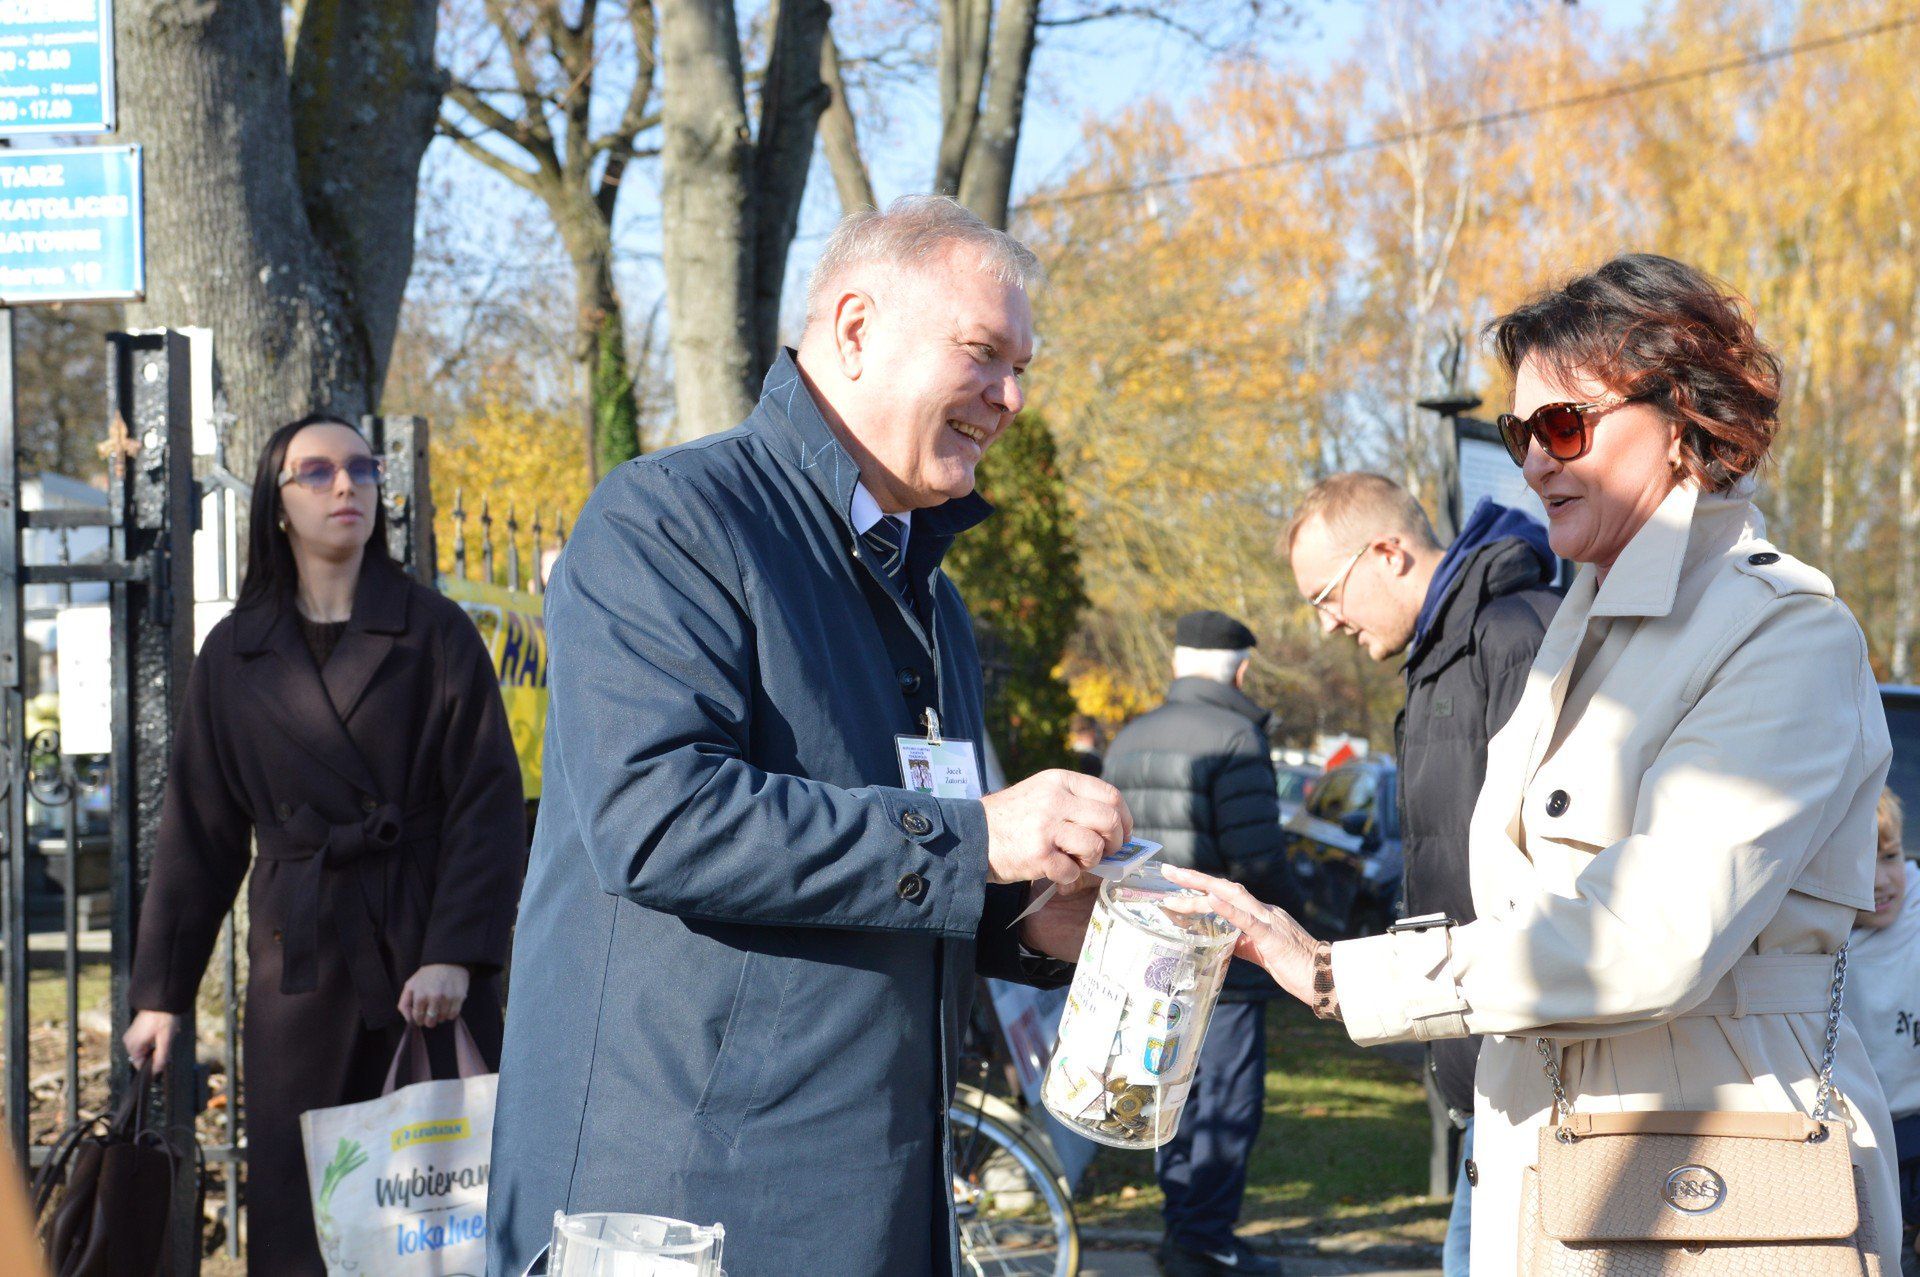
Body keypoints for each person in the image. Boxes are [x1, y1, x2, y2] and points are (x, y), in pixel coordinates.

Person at [1165, 253, 1902, 1274]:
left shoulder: (1782, 631)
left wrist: (1339, 971)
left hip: (1717, 1194)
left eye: (1563, 425)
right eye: (1521, 435)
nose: (1535, 463)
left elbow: (1647, 934)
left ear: (1681, 417)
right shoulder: (1578, 627)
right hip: (1555, 1174)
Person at [486, 196, 1131, 1277]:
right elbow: (659, 822)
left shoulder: (934, 602)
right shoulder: (669, 520)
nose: (1013, 398)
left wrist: (1041, 917)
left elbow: (891, 875)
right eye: (984, 353)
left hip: (874, 1202)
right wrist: (980, 838)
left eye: (1023, 368)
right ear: (856, 328)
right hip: (686, 1214)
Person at [122, 414, 527, 1276]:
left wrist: (455, 953)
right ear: (277, 503)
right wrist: (161, 992)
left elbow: (487, 804)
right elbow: (200, 829)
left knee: (434, 1219)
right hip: (298, 963)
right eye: (317, 471)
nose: (346, 485)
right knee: (302, 1215)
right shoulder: (234, 653)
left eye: (361, 469)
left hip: (423, 962)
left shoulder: (436, 632)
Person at [1285, 474, 1558, 1275]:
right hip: (1484, 1057)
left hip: (1538, 1066)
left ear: (1389, 552)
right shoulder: (1446, 650)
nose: (1328, 622)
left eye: (1326, 595)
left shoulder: (1511, 635)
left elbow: (1554, 873)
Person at [1102, 610, 1283, 1277]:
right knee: (1227, 1098)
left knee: (1166, 1086)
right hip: (1223, 960)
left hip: (1148, 957)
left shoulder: (1128, 737)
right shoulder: (1237, 737)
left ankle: (1182, 1230)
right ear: (1242, 669)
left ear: (1177, 664)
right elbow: (1258, 862)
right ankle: (1204, 1241)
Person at [1849, 789, 1920, 1272]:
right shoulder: (1807, 943)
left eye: (1890, 857)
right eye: (1857, 862)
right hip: (1857, 1145)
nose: (1879, 881)